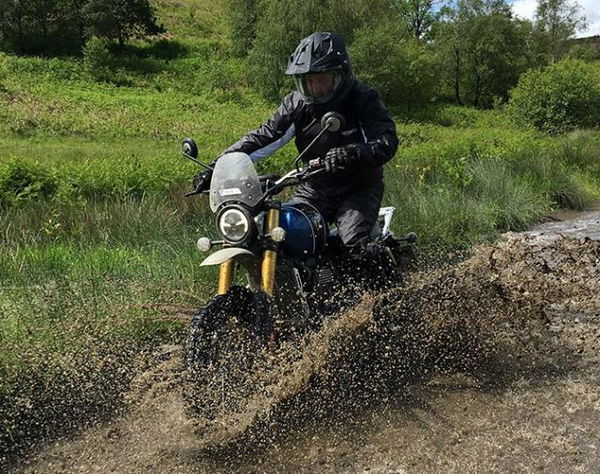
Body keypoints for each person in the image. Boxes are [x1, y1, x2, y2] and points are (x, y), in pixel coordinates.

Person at [194, 31, 399, 252]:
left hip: (358, 188)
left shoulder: (363, 98)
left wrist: (351, 153)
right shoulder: (297, 104)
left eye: (321, 80)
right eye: (308, 81)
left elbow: (386, 142)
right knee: (282, 232)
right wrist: (216, 168)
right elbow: (264, 136)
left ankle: (388, 280)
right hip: (315, 188)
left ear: (340, 74)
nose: (315, 88)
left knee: (353, 246)